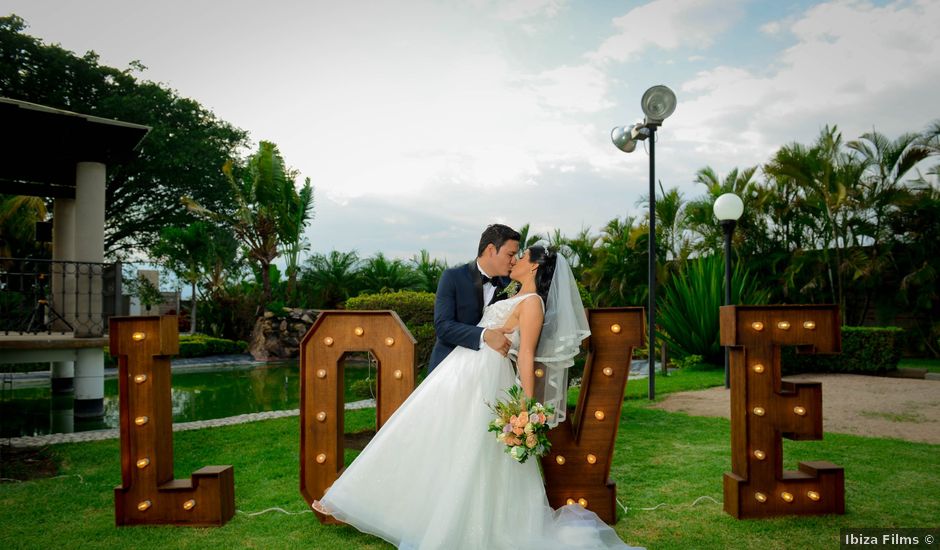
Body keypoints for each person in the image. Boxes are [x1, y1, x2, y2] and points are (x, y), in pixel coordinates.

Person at [314, 246, 642, 549]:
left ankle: (471, 526)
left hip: (486, 378)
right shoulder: (514, 295)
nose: (515, 260)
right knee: (428, 437)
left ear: (536, 266)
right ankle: (394, 507)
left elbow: (526, 355)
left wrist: (526, 407)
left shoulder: (532, 304)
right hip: (461, 371)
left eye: (522, 255)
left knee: (476, 452)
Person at [427, 224, 521, 373]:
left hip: (489, 373)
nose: (514, 261)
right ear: (491, 250)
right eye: (510, 254)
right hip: (448, 370)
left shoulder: (513, 286)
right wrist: (485, 335)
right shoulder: (453, 277)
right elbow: (443, 326)